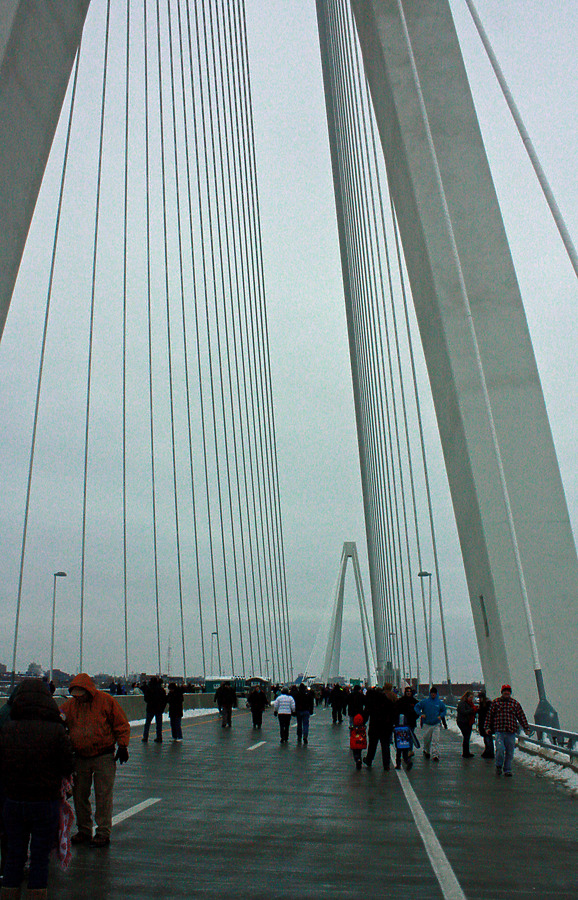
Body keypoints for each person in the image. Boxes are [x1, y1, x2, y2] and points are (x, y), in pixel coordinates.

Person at [0, 679, 74, 899]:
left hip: (13, 801)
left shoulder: (7, 729)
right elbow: (67, 766)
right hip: (44, 801)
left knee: (14, 856)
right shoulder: (56, 729)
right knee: (40, 858)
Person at [60, 672, 130, 847]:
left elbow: (121, 724)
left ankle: (103, 832)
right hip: (80, 757)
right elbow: (58, 720)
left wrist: (122, 745)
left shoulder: (106, 701)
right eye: (75, 695)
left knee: (103, 794)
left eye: (81, 695)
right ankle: (84, 830)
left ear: (88, 691)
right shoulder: (70, 706)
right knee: (79, 795)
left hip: (103, 755)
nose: (78, 699)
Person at [485, 684, 530, 777]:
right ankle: (498, 766)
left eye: (508, 691)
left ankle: (507, 769)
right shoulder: (496, 702)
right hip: (499, 731)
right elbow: (489, 716)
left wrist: (526, 728)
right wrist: (487, 727)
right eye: (505, 691)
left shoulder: (515, 704)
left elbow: (521, 716)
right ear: (502, 692)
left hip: (511, 731)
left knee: (509, 752)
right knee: (500, 750)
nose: (506, 693)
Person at [363, 683, 397, 771]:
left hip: (374, 726)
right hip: (386, 726)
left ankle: (369, 760)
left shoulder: (372, 702)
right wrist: (393, 723)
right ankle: (386, 765)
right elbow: (393, 712)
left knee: (372, 745)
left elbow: (366, 713)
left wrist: (363, 722)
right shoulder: (388, 701)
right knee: (385, 746)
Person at [414, 686, 446, 762]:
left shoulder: (439, 703)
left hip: (436, 724)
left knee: (435, 740)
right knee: (427, 739)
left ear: (436, 694)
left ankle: (435, 754)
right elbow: (417, 707)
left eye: (434, 693)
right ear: (430, 693)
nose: (433, 694)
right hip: (427, 724)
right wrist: (421, 714)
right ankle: (426, 751)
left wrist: (440, 716)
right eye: (432, 693)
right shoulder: (425, 702)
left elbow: (444, 710)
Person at [394, 685, 419, 770]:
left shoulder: (414, 702)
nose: (408, 694)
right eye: (407, 692)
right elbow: (396, 711)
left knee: (408, 740)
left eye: (409, 692)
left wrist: (414, 717)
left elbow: (417, 711)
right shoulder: (401, 701)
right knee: (401, 743)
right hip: (401, 725)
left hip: (410, 723)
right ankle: (406, 758)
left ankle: (409, 752)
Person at [140, 676, 167, 743]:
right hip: (159, 709)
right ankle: (159, 737)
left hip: (150, 708)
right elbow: (164, 700)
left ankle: (145, 737)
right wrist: (162, 708)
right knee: (159, 724)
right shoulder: (161, 690)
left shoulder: (149, 689)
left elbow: (146, 699)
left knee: (147, 723)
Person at [456, 690, 478, 758]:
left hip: (468, 722)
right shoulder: (462, 703)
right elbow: (463, 712)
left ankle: (466, 752)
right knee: (466, 737)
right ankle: (465, 753)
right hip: (463, 722)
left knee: (467, 737)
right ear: (467, 697)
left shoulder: (469, 703)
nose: (472, 699)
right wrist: (472, 710)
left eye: (472, 697)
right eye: (470, 697)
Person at [477, 691, 494, 759]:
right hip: (485, 723)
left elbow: (484, 714)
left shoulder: (486, 704)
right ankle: (488, 751)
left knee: (488, 738)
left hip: (486, 724)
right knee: (487, 738)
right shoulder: (486, 704)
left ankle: (489, 752)